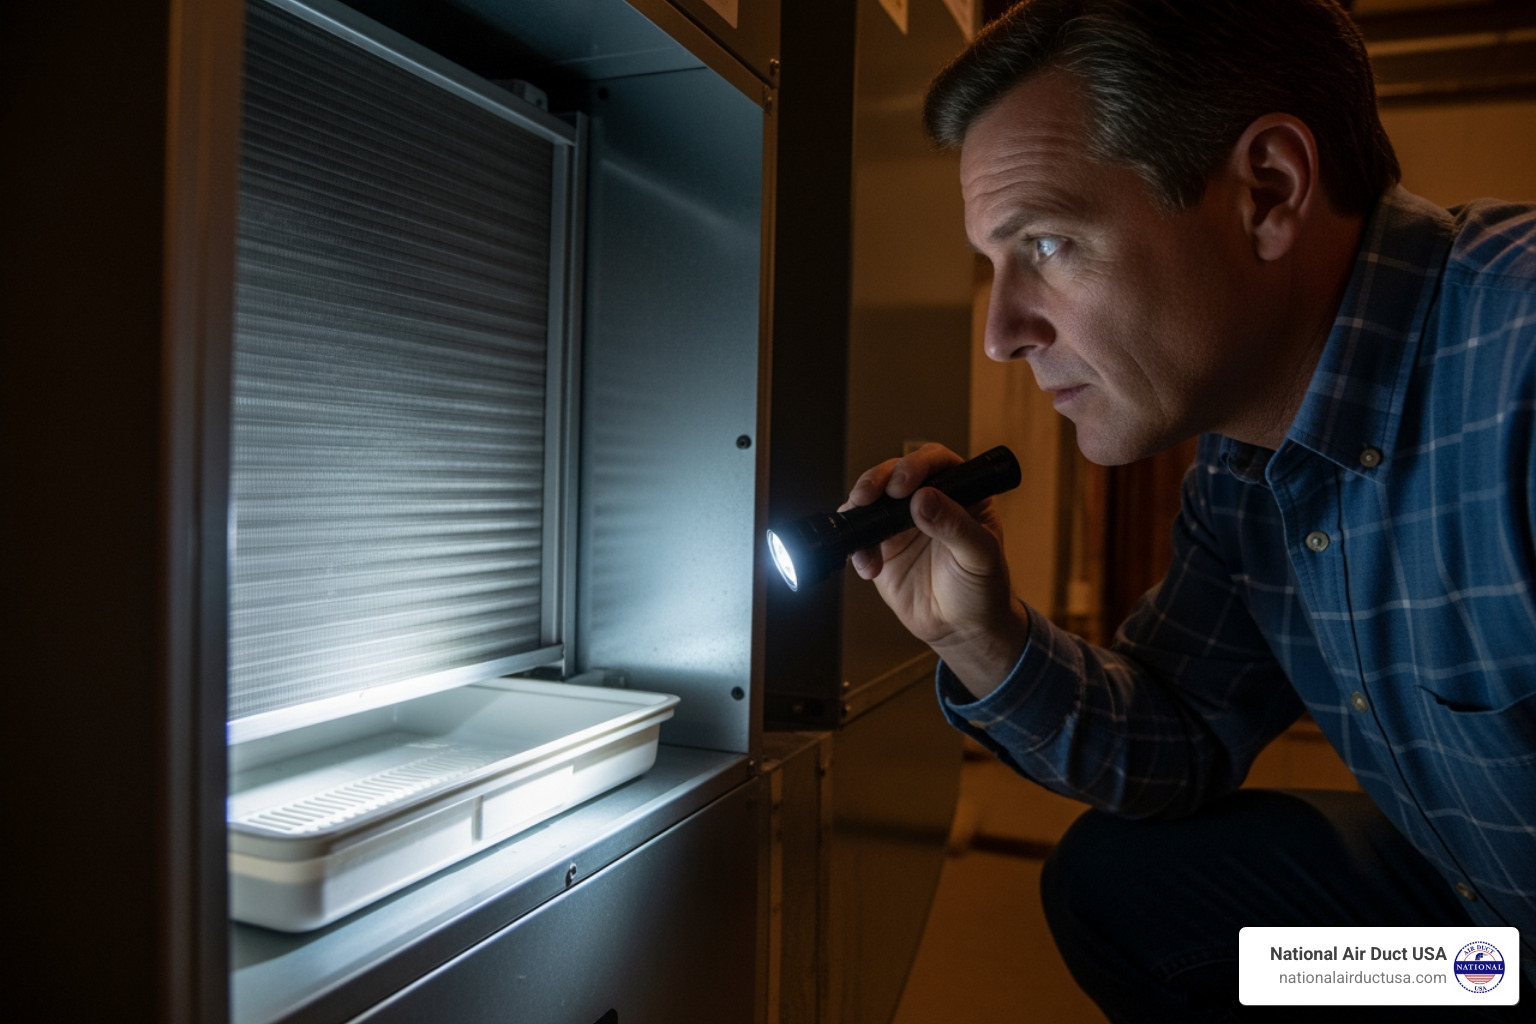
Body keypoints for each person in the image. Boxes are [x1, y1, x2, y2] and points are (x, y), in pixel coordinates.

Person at [841, 0, 1536, 1019]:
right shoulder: (1246, 471)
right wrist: (979, 637)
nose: (1000, 332)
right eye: (994, 264)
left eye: (1046, 244)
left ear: (1267, 192)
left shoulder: (1519, 364)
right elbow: (1180, 743)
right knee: (1131, 891)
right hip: (1482, 957)